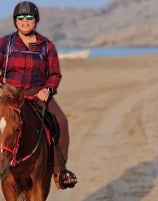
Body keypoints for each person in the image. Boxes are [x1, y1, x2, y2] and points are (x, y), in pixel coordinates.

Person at [0, 1, 77, 189]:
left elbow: (54, 74)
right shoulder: (4, 44)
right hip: (9, 94)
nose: (25, 21)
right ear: (15, 21)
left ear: (36, 20)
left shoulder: (46, 46)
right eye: (20, 17)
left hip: (37, 94)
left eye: (29, 17)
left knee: (61, 122)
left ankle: (60, 171)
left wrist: (47, 89)